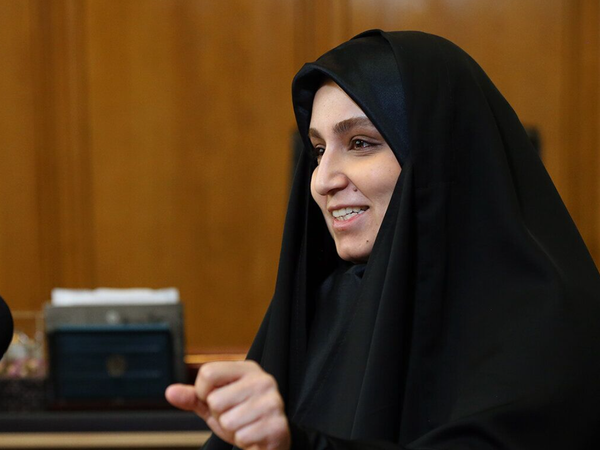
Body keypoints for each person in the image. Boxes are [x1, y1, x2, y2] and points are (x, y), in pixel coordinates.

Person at [166, 30, 600, 449]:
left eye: (360, 143)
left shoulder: (548, 318)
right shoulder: (330, 300)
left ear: (439, 155)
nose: (322, 181)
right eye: (318, 150)